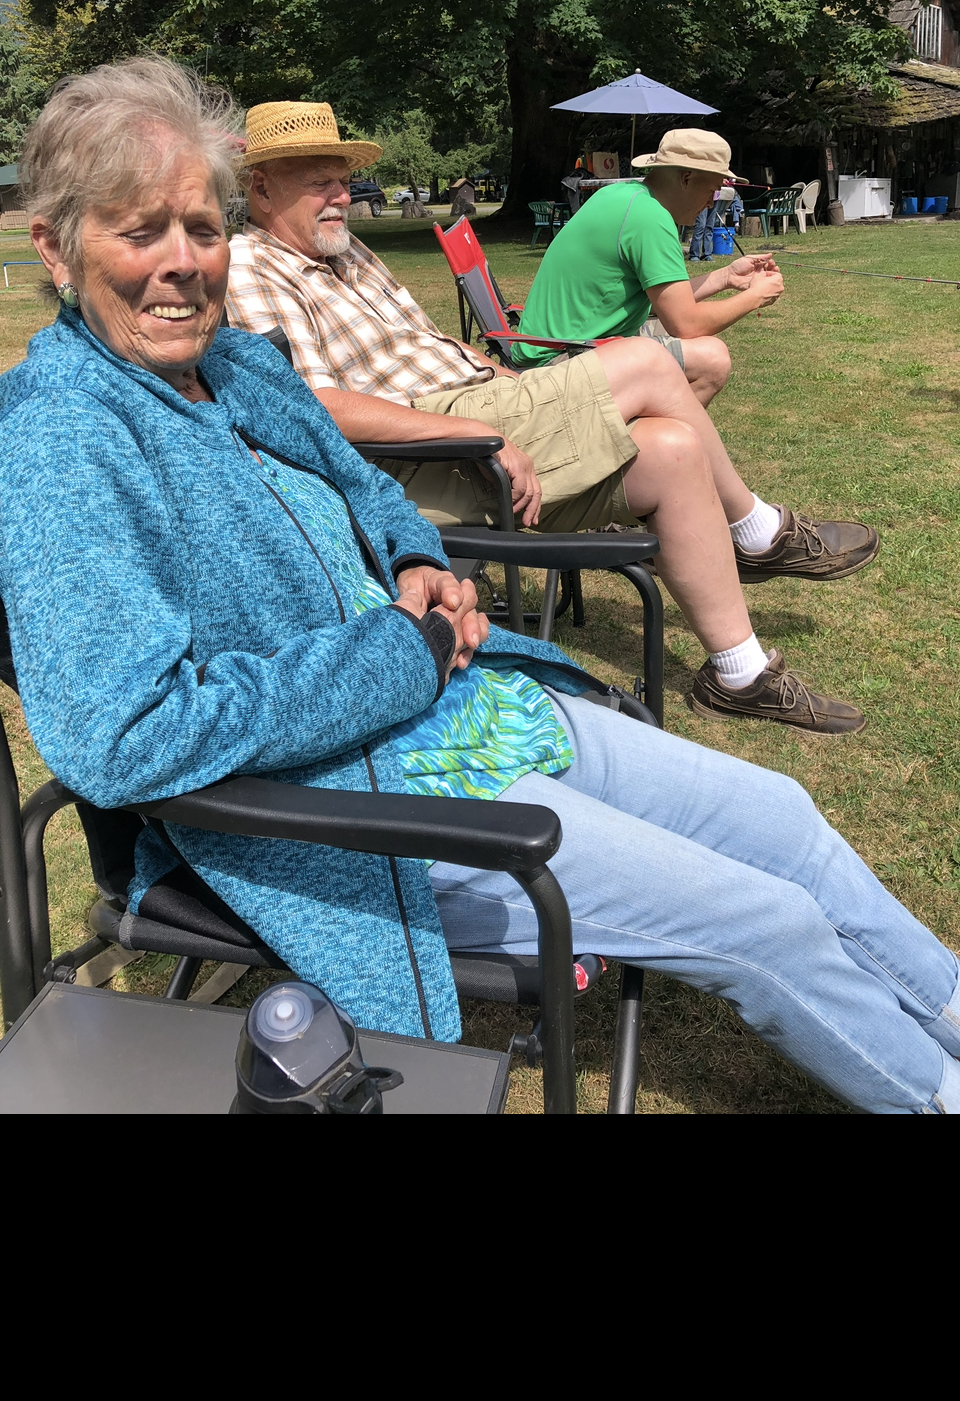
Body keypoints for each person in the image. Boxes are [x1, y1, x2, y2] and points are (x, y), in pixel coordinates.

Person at [3, 55, 959, 1114]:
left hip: (472, 709)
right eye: (142, 231)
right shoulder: (64, 440)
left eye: (203, 227)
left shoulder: (231, 364)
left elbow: (364, 485)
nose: (184, 264)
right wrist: (398, 655)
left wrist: (418, 558)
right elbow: (119, 736)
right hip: (343, 803)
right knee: (763, 919)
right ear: (56, 245)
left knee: (782, 817)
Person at [227, 101, 877, 733]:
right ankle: (759, 533)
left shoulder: (350, 253)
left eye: (343, 180)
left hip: (477, 407)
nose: (340, 196)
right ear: (261, 186)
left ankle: (738, 676)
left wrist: (505, 383)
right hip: (426, 455)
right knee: (653, 362)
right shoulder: (249, 264)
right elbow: (312, 409)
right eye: (320, 184)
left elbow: (436, 345)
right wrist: (480, 433)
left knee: (675, 448)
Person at [516, 127, 783, 409]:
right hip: (554, 364)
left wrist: (726, 276)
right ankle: (662, 444)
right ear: (686, 178)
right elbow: (685, 324)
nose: (710, 203)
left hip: (550, 348)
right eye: (713, 191)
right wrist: (756, 297)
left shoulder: (624, 195)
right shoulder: (650, 218)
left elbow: (666, 303)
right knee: (712, 359)